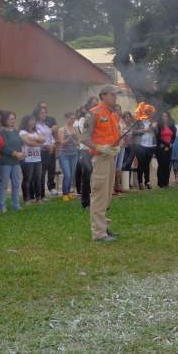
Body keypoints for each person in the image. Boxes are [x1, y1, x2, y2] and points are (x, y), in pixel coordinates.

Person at [80, 84, 122, 242]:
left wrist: (117, 147)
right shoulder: (93, 113)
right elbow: (83, 138)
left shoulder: (112, 114)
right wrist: (99, 147)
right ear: (103, 95)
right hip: (100, 158)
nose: (115, 97)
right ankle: (98, 233)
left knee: (107, 195)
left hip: (110, 157)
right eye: (113, 94)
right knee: (99, 194)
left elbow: (114, 136)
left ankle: (104, 227)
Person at [0, 112, 25, 212]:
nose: (13, 121)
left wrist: (22, 153)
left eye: (14, 118)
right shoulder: (1, 132)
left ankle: (16, 204)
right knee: (4, 184)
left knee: (16, 184)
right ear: (5, 120)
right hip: (5, 162)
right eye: (11, 119)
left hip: (16, 162)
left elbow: (20, 143)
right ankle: (2, 205)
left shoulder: (16, 131)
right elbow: (3, 147)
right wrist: (15, 153)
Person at [19, 115, 45, 204]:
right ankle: (27, 199)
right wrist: (38, 142)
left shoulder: (36, 131)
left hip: (37, 159)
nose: (33, 122)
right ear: (26, 122)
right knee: (27, 179)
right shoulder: (22, 132)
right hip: (27, 159)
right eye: (31, 120)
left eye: (34, 121)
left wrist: (33, 138)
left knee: (38, 179)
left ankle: (38, 198)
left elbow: (43, 139)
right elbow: (28, 143)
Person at [33, 104, 57, 198]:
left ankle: (45, 192)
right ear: (37, 114)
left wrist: (53, 144)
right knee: (41, 174)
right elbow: (37, 138)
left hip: (49, 151)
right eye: (42, 113)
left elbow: (50, 136)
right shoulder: (36, 125)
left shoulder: (45, 125)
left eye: (45, 113)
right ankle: (40, 195)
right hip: (42, 152)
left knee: (50, 170)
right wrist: (47, 146)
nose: (44, 114)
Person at [131, 106, 156, 189]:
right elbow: (133, 132)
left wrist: (154, 128)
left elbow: (157, 132)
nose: (148, 113)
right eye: (146, 112)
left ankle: (147, 182)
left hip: (150, 146)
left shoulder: (153, 122)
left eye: (149, 112)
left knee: (146, 164)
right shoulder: (138, 121)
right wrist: (144, 130)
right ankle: (140, 182)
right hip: (140, 145)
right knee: (141, 164)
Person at [58, 112, 81, 198]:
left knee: (72, 174)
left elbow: (79, 142)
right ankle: (65, 193)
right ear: (66, 118)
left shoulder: (75, 129)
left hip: (74, 154)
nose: (72, 120)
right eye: (71, 118)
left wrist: (75, 141)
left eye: (74, 118)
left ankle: (69, 193)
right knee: (67, 174)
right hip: (64, 155)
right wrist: (69, 138)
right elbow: (61, 142)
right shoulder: (62, 129)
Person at [155, 112, 177, 188]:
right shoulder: (158, 126)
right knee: (161, 164)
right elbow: (158, 137)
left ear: (168, 117)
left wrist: (170, 144)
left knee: (167, 165)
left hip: (169, 147)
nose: (165, 118)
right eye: (163, 116)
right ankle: (160, 183)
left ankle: (166, 182)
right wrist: (166, 144)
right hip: (160, 147)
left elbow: (173, 137)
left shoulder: (172, 126)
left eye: (166, 116)